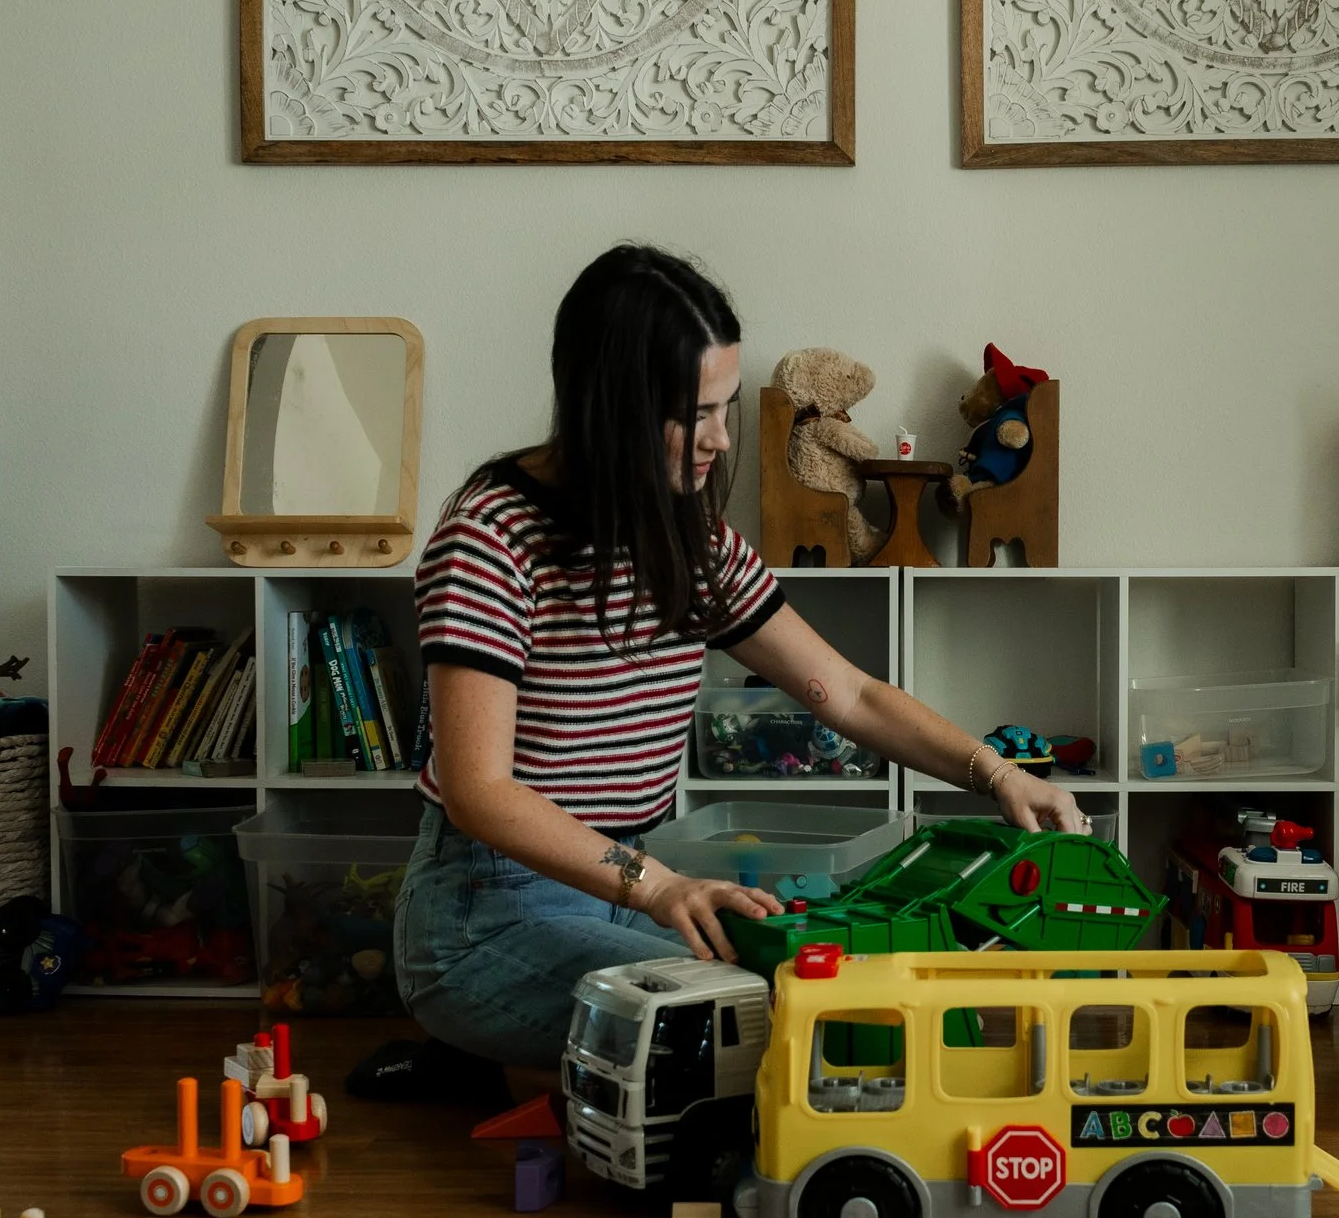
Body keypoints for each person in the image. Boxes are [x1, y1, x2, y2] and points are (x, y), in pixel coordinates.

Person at [379, 246, 1089, 1108]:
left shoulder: (688, 536)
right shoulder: (491, 535)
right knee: (771, 1027)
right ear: (616, 411)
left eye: (726, 406)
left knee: (817, 988)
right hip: (484, 910)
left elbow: (849, 693)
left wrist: (998, 771)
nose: (722, 438)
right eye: (696, 414)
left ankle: (530, 1063)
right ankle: (497, 1049)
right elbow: (478, 790)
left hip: (623, 893)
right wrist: (664, 885)